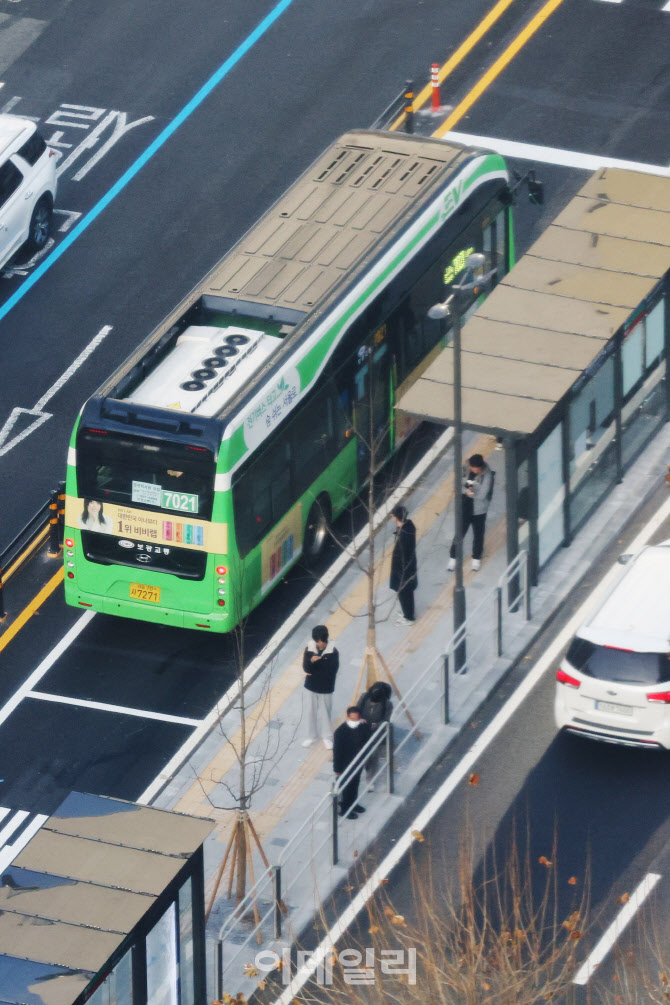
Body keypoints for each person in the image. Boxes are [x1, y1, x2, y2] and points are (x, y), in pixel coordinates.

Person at [448, 453, 494, 572]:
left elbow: (483, 494)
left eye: (477, 469)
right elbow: (457, 484)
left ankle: (476, 558)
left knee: (478, 535)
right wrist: (466, 491)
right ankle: (453, 557)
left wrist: (471, 493)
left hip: (479, 510)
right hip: (465, 507)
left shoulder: (487, 475)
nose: (474, 471)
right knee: (460, 533)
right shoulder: (465, 469)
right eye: (472, 468)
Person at [302, 625, 339, 750]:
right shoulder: (310, 648)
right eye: (316, 641)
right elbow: (306, 668)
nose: (318, 644)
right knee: (310, 712)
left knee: (325, 713)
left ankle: (327, 737)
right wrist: (312, 662)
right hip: (310, 686)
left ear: (325, 640)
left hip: (325, 688)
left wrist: (315, 666)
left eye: (319, 642)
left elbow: (331, 671)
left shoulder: (333, 652)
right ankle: (311, 736)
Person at [333, 707, 372, 819]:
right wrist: (337, 769)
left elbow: (369, 733)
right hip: (346, 763)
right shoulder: (340, 732)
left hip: (358, 761)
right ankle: (344, 809)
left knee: (355, 783)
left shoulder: (362, 726)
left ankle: (353, 804)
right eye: (352, 719)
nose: (354, 721)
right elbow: (337, 752)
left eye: (357, 719)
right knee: (347, 786)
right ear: (348, 717)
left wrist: (367, 723)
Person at [356, 680, 393, 789]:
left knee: (374, 754)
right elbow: (356, 711)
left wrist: (377, 725)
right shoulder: (364, 698)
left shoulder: (387, 704)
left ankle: (370, 779)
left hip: (375, 733)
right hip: (362, 729)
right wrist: (360, 720)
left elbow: (386, 721)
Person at [389, 504, 417, 627]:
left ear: (396, 517)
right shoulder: (408, 527)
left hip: (403, 570)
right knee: (405, 592)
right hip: (406, 567)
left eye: (393, 515)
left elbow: (402, 553)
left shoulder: (404, 535)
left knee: (404, 592)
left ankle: (409, 617)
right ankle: (407, 613)